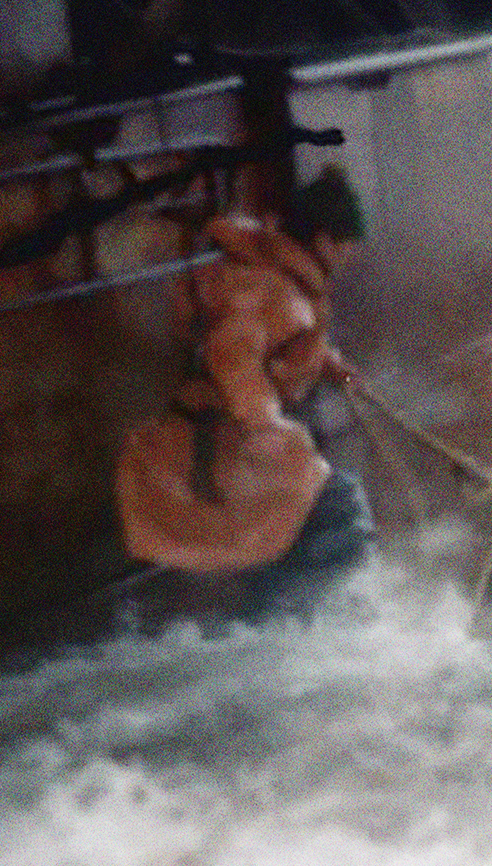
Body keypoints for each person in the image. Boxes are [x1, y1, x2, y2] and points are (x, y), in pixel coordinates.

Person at [116, 165, 375, 623]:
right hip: (227, 445)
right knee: (339, 505)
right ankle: (324, 624)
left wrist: (334, 368)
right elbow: (232, 354)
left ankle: (284, 618)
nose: (349, 257)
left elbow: (277, 339)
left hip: (215, 437)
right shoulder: (270, 287)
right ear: (323, 240)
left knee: (303, 520)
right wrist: (271, 428)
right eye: (347, 245)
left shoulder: (263, 275)